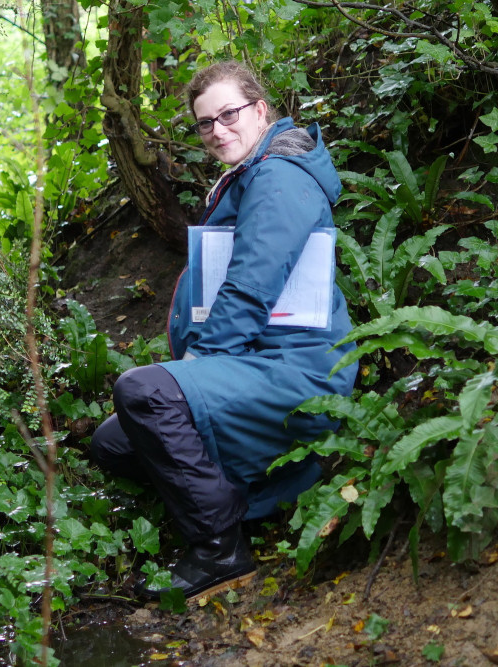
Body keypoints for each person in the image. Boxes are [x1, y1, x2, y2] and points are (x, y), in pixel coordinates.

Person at [90, 60, 358, 601]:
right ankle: (249, 498)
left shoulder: (280, 176)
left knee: (142, 392)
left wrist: (200, 360)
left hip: (295, 372)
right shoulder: (251, 173)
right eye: (205, 123)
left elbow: (251, 283)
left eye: (228, 114)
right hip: (257, 363)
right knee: (114, 442)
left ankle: (221, 550)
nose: (217, 130)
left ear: (261, 110)